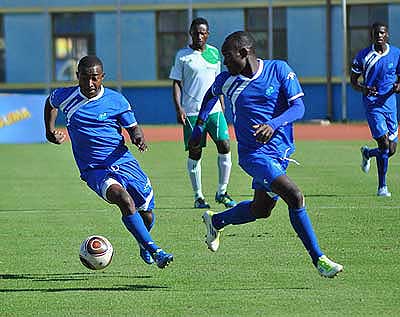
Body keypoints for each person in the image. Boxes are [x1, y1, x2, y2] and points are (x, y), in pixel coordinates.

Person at [189, 31, 343, 278]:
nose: (224, 62)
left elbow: (298, 107)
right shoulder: (226, 79)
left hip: (280, 153)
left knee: (261, 209)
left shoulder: (279, 70)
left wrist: (273, 124)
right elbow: (209, 95)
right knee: (295, 196)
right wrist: (199, 126)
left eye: (227, 56)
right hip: (253, 156)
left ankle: (216, 221)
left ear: (243, 52)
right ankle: (319, 259)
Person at [44, 55, 173, 269]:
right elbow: (50, 103)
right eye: (85, 78)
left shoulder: (117, 101)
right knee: (123, 199)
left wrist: (138, 137)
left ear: (103, 77)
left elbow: (133, 128)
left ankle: (143, 242)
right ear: (77, 76)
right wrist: (49, 132)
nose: (90, 83)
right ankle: (155, 250)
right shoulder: (66, 96)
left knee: (147, 215)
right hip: (94, 169)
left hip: (122, 161)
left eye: (95, 78)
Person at [169, 17, 236, 209]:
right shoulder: (182, 56)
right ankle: (198, 196)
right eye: (196, 32)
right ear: (191, 33)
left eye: (203, 32)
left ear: (208, 34)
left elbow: (219, 82)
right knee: (195, 152)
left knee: (225, 145)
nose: (199, 35)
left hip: (214, 110)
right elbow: (176, 82)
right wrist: (179, 108)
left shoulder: (215, 53)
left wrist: (222, 104)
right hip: (191, 112)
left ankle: (222, 192)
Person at [350, 22, 400, 197]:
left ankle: (367, 153)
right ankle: (382, 187)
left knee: (392, 149)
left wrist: (398, 86)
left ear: (387, 35)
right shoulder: (363, 56)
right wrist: (364, 88)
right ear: (372, 35)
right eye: (376, 33)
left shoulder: (396, 54)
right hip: (373, 105)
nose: (379, 35)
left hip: (390, 105)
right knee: (384, 144)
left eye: (382, 33)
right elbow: (354, 81)